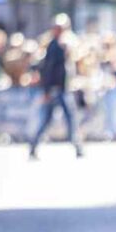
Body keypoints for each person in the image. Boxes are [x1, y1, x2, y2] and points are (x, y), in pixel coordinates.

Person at [30, 14, 83, 160]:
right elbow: (49, 70)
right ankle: (33, 146)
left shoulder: (63, 45)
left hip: (63, 88)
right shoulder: (54, 46)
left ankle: (78, 147)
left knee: (69, 119)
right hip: (56, 89)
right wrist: (47, 90)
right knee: (52, 119)